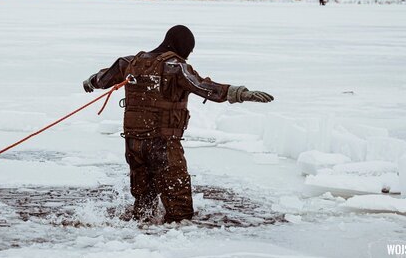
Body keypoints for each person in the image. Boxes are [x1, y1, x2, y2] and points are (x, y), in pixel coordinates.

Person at [83, 25, 274, 224]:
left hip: (134, 145)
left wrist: (91, 81)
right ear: (182, 46)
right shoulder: (176, 67)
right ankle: (175, 246)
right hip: (163, 145)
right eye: (188, 51)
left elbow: (104, 78)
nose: (188, 56)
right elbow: (204, 86)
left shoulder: (130, 63)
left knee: (144, 206)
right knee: (180, 212)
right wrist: (240, 93)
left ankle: (139, 242)